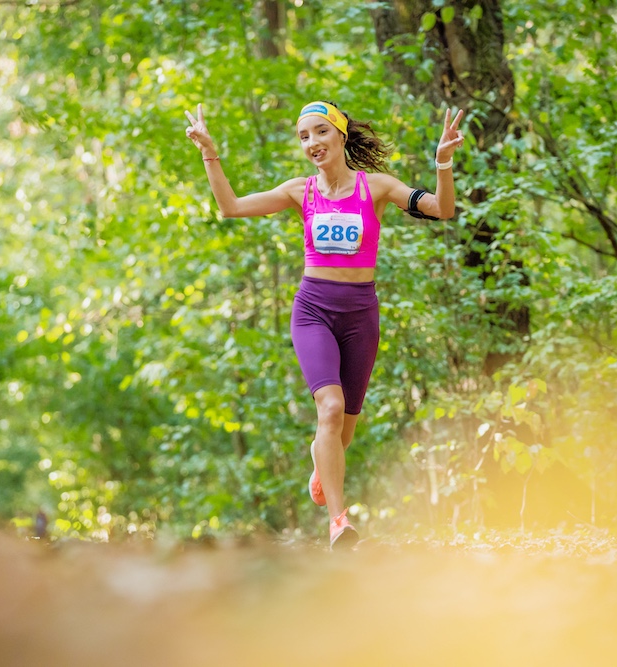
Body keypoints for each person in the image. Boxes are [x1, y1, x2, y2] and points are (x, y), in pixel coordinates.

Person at [184, 100, 464, 550]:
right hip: (313, 309)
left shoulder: (377, 187)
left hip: (360, 315)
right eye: (303, 136)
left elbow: (442, 209)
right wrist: (209, 153)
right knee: (330, 409)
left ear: (341, 135)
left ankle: (323, 464)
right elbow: (231, 206)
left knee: (344, 427)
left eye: (320, 132)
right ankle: (339, 522)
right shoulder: (301, 191)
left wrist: (443, 162)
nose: (312, 142)